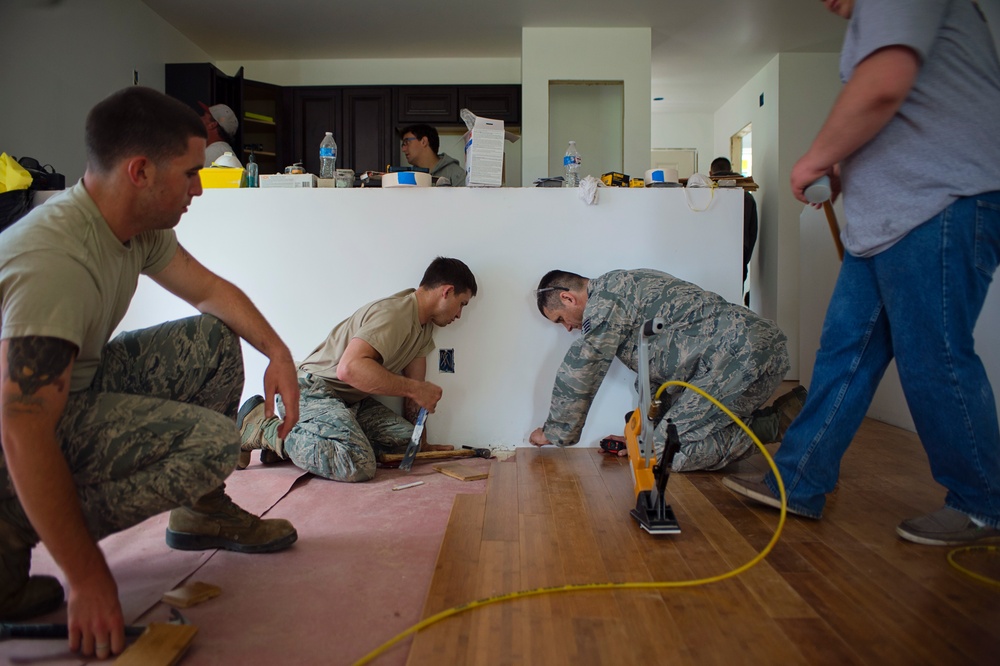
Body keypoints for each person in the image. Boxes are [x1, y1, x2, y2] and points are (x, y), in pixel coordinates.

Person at [0, 86, 301, 657]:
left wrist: (278, 352)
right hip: (11, 438)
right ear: (140, 172)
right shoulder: (55, 260)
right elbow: (21, 428)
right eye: (190, 173)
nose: (198, 188)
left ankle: (203, 514)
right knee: (215, 443)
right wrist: (88, 578)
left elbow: (211, 290)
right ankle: (8, 533)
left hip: (65, 400)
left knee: (214, 339)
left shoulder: (134, 226)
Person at [724, 0, 1000, 546]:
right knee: (842, 356)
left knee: (934, 357)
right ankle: (799, 479)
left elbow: (884, 82)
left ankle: (983, 503)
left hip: (937, 207)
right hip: (885, 225)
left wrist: (816, 158)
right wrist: (847, 163)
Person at [528, 269, 803, 471]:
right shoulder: (624, 290)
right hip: (748, 357)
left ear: (568, 298)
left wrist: (554, 432)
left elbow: (584, 365)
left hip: (739, 355)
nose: (567, 328)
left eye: (560, 319)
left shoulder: (607, 298)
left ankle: (780, 423)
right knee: (658, 445)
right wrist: (637, 437)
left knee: (668, 453)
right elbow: (658, 377)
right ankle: (794, 414)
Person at [238, 257, 477, 482]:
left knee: (404, 447)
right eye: (461, 304)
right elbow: (349, 369)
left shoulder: (424, 329)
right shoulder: (395, 315)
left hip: (349, 400)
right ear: (446, 291)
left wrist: (419, 445)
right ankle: (264, 429)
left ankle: (291, 446)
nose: (459, 314)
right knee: (357, 463)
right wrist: (415, 389)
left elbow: (416, 397)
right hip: (310, 389)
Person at [709, 156, 758, 294]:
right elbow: (752, 233)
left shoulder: (706, 193)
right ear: (730, 170)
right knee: (733, 304)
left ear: (710, 173)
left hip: (710, 261)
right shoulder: (746, 196)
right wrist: (744, 261)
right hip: (738, 260)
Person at [400, 124, 467, 186]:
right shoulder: (410, 177)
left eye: (406, 142)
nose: (403, 149)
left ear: (424, 141)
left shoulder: (455, 174)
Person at [198, 101, 241, 168]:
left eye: (204, 116)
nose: (200, 118)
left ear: (212, 125)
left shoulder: (213, 152)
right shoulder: (223, 151)